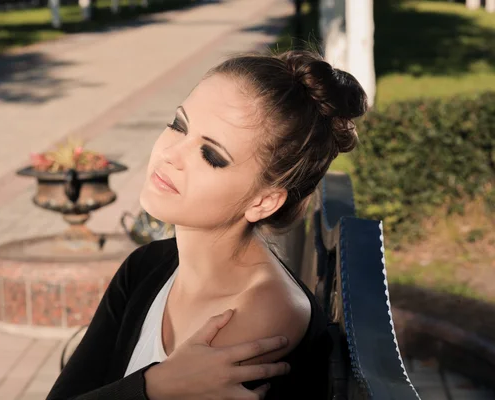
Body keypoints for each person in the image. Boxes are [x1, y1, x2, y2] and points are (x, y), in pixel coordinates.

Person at [46, 49, 368, 400]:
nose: (171, 155)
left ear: (263, 201)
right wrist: (155, 387)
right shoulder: (147, 267)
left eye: (211, 156)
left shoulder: (260, 315)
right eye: (178, 125)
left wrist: (150, 388)